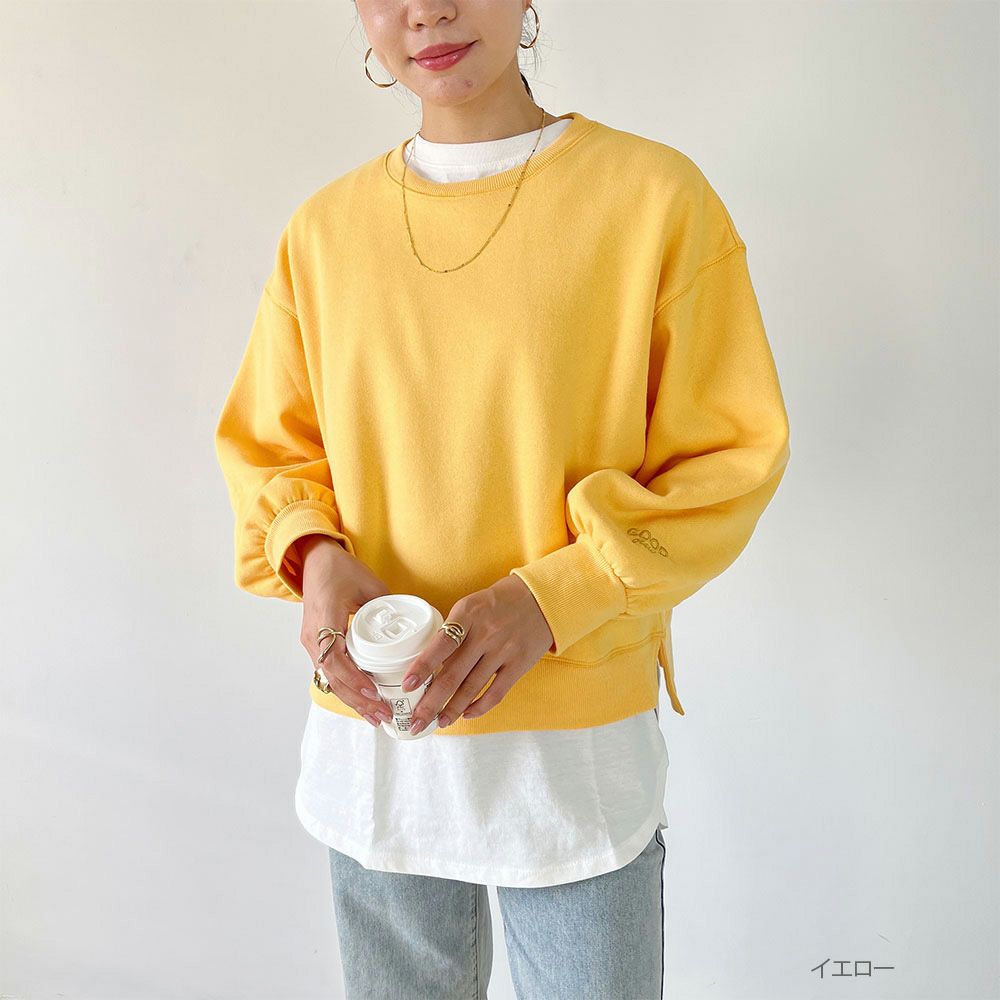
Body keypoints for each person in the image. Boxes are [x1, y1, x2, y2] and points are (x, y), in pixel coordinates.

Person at [213, 3, 791, 997]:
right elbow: (275, 451)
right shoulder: (324, 232)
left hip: (571, 751)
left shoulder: (651, 199)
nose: (426, 11)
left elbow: (728, 457)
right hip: (378, 738)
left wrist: (553, 597)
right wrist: (315, 554)